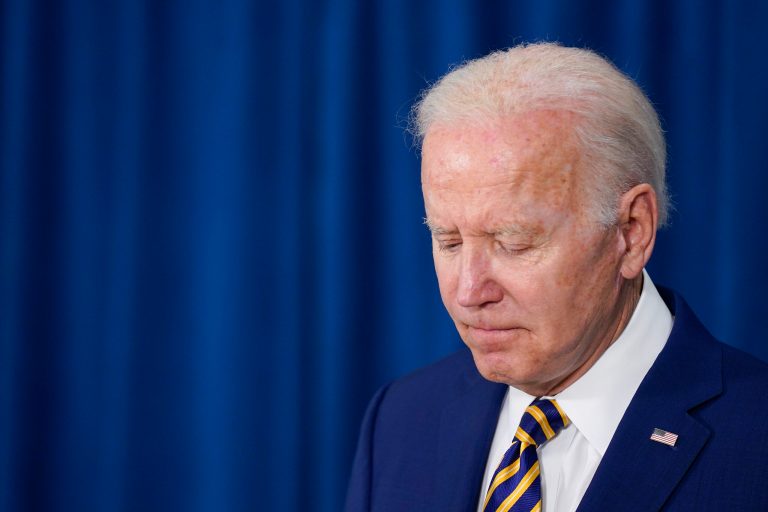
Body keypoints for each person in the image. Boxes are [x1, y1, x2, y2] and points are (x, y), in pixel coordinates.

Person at [344, 43, 768, 512]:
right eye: (449, 241)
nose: (468, 292)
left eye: (514, 243)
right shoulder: (402, 419)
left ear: (631, 232)